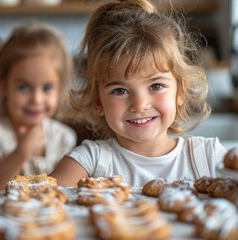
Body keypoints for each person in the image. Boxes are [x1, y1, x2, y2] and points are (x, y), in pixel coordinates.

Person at [50, 0, 227, 187]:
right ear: (98, 101)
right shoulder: (90, 162)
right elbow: (39, 201)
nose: (140, 104)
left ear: (180, 92)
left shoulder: (208, 157)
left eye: (156, 86)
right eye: (120, 90)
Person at [0, 21, 77, 189]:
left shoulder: (63, 138)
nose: (36, 99)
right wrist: (22, 152)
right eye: (24, 87)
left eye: (47, 88)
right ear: (3, 86)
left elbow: (66, 189)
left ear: (59, 89)